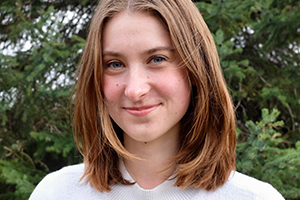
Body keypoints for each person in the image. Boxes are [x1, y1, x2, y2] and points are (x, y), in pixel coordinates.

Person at [29, 0, 285, 199]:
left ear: (196, 69)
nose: (134, 90)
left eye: (157, 59)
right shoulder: (55, 194)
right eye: (115, 64)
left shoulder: (254, 198)